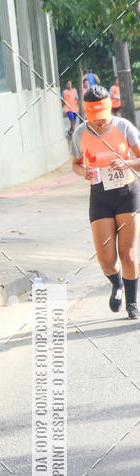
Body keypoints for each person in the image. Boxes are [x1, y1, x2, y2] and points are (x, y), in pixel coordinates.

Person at [71, 85, 140, 319]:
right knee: (107, 261)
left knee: (128, 254)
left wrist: (127, 163)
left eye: (103, 118)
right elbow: (75, 164)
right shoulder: (80, 133)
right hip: (99, 196)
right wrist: (84, 173)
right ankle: (117, 283)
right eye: (94, 119)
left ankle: (132, 303)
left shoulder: (124, 127)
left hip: (126, 193)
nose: (100, 124)